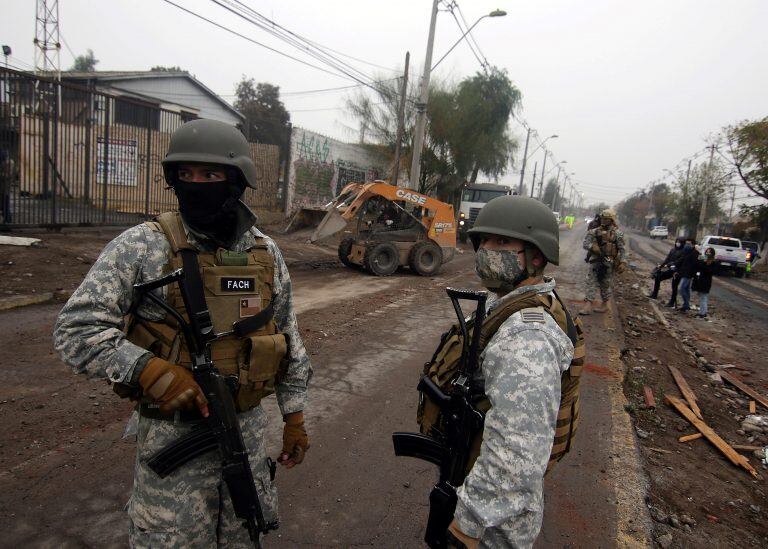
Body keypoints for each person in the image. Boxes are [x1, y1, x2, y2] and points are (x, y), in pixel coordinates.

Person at [53, 119, 312, 547]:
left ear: (237, 181)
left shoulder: (265, 253)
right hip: (174, 453)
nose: (197, 185)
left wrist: (295, 417)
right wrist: (148, 370)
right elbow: (75, 330)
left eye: (210, 175)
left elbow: (289, 339)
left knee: (244, 537)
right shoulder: (142, 247)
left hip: (244, 439)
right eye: (186, 175)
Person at [442, 195, 581, 548]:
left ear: (536, 255)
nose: (488, 250)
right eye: (483, 241)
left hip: (493, 526)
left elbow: (517, 453)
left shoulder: (527, 333)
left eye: (502, 242)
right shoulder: (508, 307)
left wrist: (466, 527)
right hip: (485, 500)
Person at [580, 208, 625, 315]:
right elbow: (585, 243)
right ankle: (588, 305)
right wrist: (592, 247)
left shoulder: (617, 234)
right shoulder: (594, 232)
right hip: (596, 261)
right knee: (591, 282)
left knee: (605, 284)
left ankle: (605, 304)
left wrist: (623, 262)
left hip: (609, 263)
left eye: (607, 219)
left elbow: (622, 249)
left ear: (612, 220)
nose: (604, 221)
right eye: (603, 218)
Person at [648, 237, 684, 304]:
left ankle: (672, 302)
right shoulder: (673, 250)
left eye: (679, 242)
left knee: (674, 286)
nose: (678, 243)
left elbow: (678, 262)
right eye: (677, 241)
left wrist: (668, 265)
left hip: (677, 271)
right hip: (670, 270)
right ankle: (654, 294)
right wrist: (661, 266)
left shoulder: (683, 252)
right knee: (658, 277)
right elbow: (667, 259)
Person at [675, 238, 699, 313]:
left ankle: (686, 304)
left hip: (688, 274)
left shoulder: (695, 253)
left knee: (681, 288)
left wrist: (693, 274)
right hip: (684, 273)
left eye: (688, 244)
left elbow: (694, 265)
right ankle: (686, 306)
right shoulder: (686, 252)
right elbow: (682, 261)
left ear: (693, 245)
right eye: (686, 243)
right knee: (686, 289)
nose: (686, 245)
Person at [694, 247, 716, 318]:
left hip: (706, 282)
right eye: (707, 251)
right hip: (700, 280)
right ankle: (701, 311)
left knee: (704, 297)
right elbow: (698, 267)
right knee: (701, 296)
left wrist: (704, 263)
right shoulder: (703, 260)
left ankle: (703, 313)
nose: (707, 253)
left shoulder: (713, 262)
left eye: (709, 252)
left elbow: (710, 271)